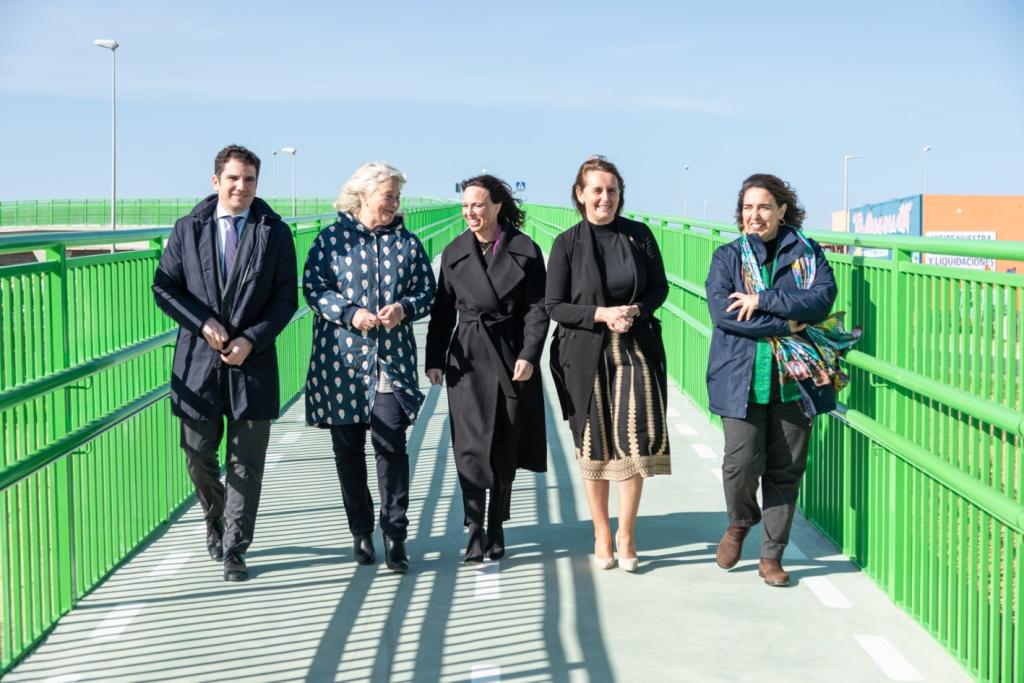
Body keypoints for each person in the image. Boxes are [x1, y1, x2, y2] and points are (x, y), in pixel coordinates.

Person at [152, 144, 297, 582]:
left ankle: (235, 545)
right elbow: (164, 287)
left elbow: (285, 299)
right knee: (197, 452)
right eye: (233, 178)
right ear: (216, 181)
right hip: (198, 363)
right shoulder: (188, 229)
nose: (242, 186)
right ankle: (214, 516)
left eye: (250, 179)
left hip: (252, 364)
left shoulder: (275, 232)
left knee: (246, 461)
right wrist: (203, 325)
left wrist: (251, 340)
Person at [705, 173, 857, 587]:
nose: (755, 215)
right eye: (748, 208)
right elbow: (724, 315)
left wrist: (762, 300)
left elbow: (822, 299)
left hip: (795, 378)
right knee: (739, 464)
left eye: (764, 207)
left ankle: (771, 555)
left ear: (782, 211)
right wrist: (788, 325)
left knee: (785, 470)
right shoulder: (727, 258)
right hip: (741, 377)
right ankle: (740, 521)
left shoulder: (808, 254)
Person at [303, 162, 436, 573]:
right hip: (341, 362)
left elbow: (426, 290)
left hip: (390, 363)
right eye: (388, 197)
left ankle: (395, 534)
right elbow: (313, 287)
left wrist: (404, 308)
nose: (395, 204)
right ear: (362, 197)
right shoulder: (330, 241)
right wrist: (349, 313)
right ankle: (360, 531)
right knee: (347, 451)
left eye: (397, 197)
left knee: (391, 446)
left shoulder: (409, 244)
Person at [546, 156, 671, 572]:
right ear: (580, 195)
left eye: (612, 190)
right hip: (584, 352)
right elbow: (554, 305)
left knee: (633, 439)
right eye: (597, 190)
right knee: (594, 442)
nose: (605, 198)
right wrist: (601, 314)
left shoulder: (639, 236)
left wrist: (634, 309)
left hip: (634, 346)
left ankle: (627, 532)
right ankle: (601, 531)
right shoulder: (566, 243)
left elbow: (660, 287)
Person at [425, 175, 549, 563]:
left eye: (477, 205)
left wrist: (529, 354)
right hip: (468, 357)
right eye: (465, 206)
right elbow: (442, 311)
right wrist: (433, 358)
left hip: (512, 355)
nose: (469, 213)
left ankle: (496, 524)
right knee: (470, 446)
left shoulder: (526, 251)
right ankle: (476, 528)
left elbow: (537, 309)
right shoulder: (453, 252)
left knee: (505, 444)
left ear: (497, 206)